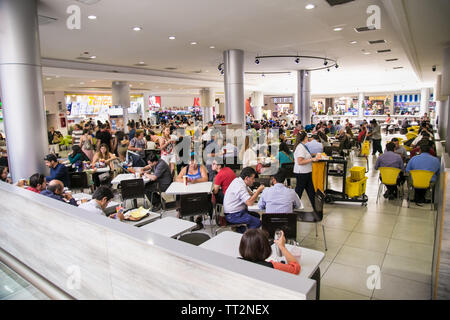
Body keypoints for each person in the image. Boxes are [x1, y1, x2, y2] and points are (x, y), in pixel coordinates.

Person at [223, 167, 265, 232]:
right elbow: (249, 203)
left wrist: (254, 193)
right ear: (246, 178)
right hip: (233, 215)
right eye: (253, 178)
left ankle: (242, 230)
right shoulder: (239, 186)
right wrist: (258, 191)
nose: (254, 181)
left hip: (237, 212)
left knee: (257, 215)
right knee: (257, 222)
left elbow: (250, 194)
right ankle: (246, 236)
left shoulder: (239, 181)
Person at [293, 131, 319, 210]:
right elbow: (300, 162)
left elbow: (306, 156)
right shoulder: (300, 147)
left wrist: (314, 155)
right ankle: (292, 209)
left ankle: (316, 208)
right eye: (307, 137)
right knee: (299, 192)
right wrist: (312, 159)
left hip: (307, 172)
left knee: (311, 191)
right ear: (304, 138)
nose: (308, 138)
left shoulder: (303, 146)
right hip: (302, 173)